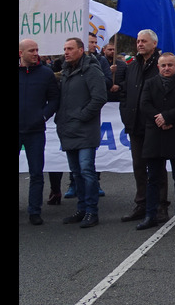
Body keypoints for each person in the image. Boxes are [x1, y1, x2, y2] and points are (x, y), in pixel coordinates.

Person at [135, 53, 175, 230]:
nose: (167, 68)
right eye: (163, 65)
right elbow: (144, 104)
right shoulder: (150, 83)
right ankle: (150, 215)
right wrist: (159, 120)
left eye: (170, 65)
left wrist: (167, 118)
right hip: (155, 135)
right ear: (158, 67)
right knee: (153, 178)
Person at [55, 37, 107, 228]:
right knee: (76, 173)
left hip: (85, 129)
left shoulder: (91, 70)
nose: (66, 52)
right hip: (68, 129)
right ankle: (82, 209)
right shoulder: (66, 71)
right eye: (64, 48)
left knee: (86, 170)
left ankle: (92, 211)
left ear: (81, 50)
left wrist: (82, 116)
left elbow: (99, 97)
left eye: (70, 48)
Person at [119, 29, 169, 223]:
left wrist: (162, 117)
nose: (139, 44)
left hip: (154, 125)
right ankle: (142, 203)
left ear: (154, 44)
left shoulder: (161, 65)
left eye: (144, 41)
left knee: (157, 167)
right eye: (138, 41)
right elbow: (125, 93)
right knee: (139, 166)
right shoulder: (132, 66)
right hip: (135, 125)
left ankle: (161, 205)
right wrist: (126, 115)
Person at [19, 39, 60, 225]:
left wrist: (43, 116)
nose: (36, 53)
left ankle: (34, 211)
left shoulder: (46, 74)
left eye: (37, 50)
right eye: (31, 51)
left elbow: (54, 99)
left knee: (36, 172)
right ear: (21, 53)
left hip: (35, 131)